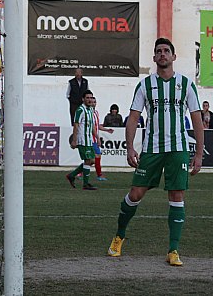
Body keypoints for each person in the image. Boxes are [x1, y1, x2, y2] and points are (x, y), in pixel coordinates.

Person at [107, 38, 203, 267]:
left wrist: (198, 153)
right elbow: (133, 117)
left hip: (178, 149)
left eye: (166, 51)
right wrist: (130, 147)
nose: (162, 54)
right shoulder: (145, 85)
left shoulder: (187, 85)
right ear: (154, 58)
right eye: (158, 51)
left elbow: (197, 119)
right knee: (135, 194)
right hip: (151, 149)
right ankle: (119, 237)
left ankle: (173, 250)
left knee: (177, 196)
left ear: (173, 56)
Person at [65, 90, 98, 190]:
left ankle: (72, 175)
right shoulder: (80, 110)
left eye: (91, 98)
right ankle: (85, 184)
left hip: (88, 139)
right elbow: (76, 125)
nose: (89, 100)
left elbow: (91, 125)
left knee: (92, 160)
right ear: (83, 99)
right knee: (88, 160)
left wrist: (96, 137)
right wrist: (74, 140)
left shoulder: (91, 110)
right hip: (82, 139)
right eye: (87, 98)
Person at [92, 97, 114, 181]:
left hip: (94, 139)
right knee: (97, 156)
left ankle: (79, 173)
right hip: (91, 139)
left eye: (94, 102)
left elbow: (97, 126)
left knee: (91, 158)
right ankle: (99, 175)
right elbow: (92, 127)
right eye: (92, 102)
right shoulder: (89, 114)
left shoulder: (96, 113)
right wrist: (97, 138)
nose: (93, 103)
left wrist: (106, 130)